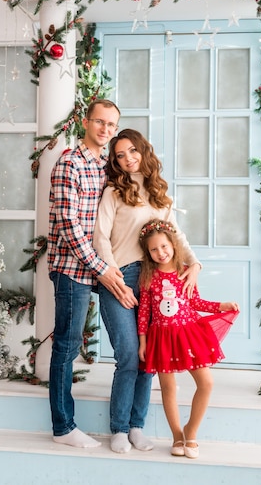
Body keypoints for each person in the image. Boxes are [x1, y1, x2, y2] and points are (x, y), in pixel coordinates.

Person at [93, 128, 202, 454]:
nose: (127, 159)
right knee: (128, 355)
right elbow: (101, 237)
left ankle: (137, 427)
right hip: (119, 276)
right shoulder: (113, 192)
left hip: (155, 281)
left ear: (143, 150)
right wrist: (114, 279)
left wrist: (194, 263)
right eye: (120, 155)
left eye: (132, 151)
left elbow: (174, 234)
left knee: (147, 358)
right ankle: (118, 429)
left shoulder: (157, 192)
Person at [48, 99, 137, 449]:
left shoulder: (108, 165)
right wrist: (104, 270)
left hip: (104, 267)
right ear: (86, 122)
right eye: (100, 122)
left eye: (112, 125)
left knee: (129, 340)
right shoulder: (70, 163)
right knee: (67, 346)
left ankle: (129, 424)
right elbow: (70, 227)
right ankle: (63, 427)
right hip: (74, 269)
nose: (105, 130)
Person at [137, 219, 239, 459]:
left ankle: (190, 431)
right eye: (154, 249)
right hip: (160, 337)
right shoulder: (147, 277)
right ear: (147, 252)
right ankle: (176, 435)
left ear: (173, 244)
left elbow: (195, 302)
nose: (160, 253)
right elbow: (143, 312)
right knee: (168, 387)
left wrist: (220, 306)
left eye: (164, 246)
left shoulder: (185, 271)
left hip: (188, 334)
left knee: (207, 383)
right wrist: (143, 341)